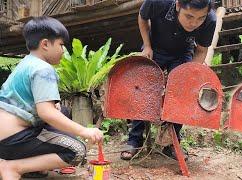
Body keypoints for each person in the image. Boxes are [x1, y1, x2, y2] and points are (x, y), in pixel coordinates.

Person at [0, 16, 103, 180]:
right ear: (45, 44)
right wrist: (84, 131)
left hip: (5, 135)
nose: (64, 50)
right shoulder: (43, 69)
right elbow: (46, 113)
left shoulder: (27, 62)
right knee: (77, 150)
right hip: (13, 140)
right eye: (61, 45)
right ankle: (12, 167)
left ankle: (33, 167)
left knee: (61, 109)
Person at [120, 0, 216, 160]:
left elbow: (201, 50)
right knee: (144, 88)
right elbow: (142, 18)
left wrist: (189, 74)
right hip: (154, 46)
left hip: (183, 52)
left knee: (182, 92)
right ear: (178, 5)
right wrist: (147, 46)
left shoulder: (210, 20)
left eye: (200, 18)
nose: (194, 23)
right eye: (189, 16)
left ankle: (171, 142)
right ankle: (134, 140)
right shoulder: (158, 2)